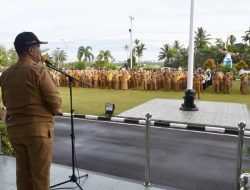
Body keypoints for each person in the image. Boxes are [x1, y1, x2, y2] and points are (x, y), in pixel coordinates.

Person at [0, 32, 61, 190]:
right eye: (39, 47)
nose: (41, 52)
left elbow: (6, 101)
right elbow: (55, 105)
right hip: (38, 132)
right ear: (31, 50)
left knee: (23, 174)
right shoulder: (39, 72)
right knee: (40, 176)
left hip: (15, 131)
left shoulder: (6, 75)